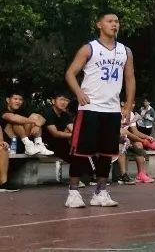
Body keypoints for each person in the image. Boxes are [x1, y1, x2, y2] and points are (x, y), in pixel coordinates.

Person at [64, 10, 136, 208]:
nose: (114, 24)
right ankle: (73, 192)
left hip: (112, 109)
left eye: (117, 21)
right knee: (81, 151)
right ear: (99, 25)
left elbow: (130, 78)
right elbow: (70, 73)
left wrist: (128, 104)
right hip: (90, 107)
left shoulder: (125, 51)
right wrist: (78, 92)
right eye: (110, 21)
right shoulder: (89, 49)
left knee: (107, 152)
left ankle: (101, 192)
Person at [2, 89, 55, 156]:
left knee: (34, 115)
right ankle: (27, 144)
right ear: (8, 100)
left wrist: (37, 126)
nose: (18, 101)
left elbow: (42, 118)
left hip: (24, 142)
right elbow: (13, 118)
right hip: (10, 143)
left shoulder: (22, 110)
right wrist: (35, 121)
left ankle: (38, 144)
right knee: (16, 121)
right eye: (15, 99)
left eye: (20, 100)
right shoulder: (3, 110)